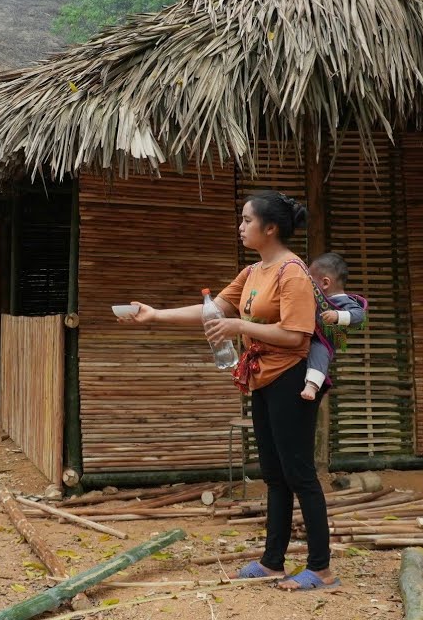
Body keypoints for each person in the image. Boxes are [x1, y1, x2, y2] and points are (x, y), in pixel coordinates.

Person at [120, 190, 339, 591]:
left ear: (269, 228)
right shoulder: (253, 272)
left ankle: (321, 567)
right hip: (260, 378)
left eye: (246, 220)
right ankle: (273, 562)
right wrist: (155, 315)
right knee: (273, 475)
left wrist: (241, 327)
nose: (240, 227)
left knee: (300, 474)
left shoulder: (292, 272)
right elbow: (214, 310)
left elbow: (295, 336)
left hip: (292, 378)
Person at [302, 252, 368, 401]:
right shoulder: (314, 299)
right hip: (308, 336)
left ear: (325, 283)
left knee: (319, 352)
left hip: (324, 340)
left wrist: (338, 316)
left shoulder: (344, 301)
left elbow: (360, 316)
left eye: (310, 282)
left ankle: (312, 386)